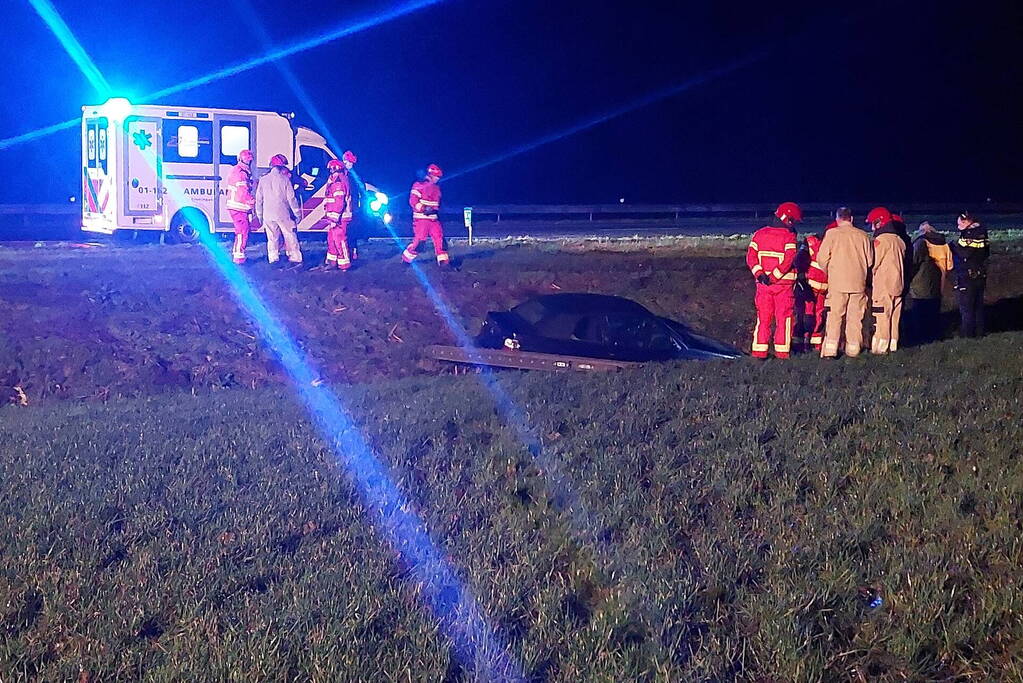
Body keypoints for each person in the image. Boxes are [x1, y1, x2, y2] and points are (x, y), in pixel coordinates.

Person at [745, 202, 801, 358]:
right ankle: (782, 354)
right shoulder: (789, 237)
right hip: (783, 286)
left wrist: (760, 274)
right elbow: (789, 259)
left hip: (763, 286)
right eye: (793, 221)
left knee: (763, 318)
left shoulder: (759, 234)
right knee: (784, 319)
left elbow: (751, 257)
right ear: (788, 219)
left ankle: (759, 352)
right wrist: (774, 276)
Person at [817, 207, 873, 358]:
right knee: (855, 318)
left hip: (837, 283)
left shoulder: (832, 234)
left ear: (837, 219)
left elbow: (822, 259)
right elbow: (869, 261)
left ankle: (830, 350)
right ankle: (853, 350)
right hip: (857, 284)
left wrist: (831, 272)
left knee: (834, 317)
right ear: (852, 219)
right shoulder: (863, 236)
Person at [906, 221, 952, 344]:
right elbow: (950, 265)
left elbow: (913, 262)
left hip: (921, 284)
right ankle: (934, 337)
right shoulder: (944, 244)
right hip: (939, 284)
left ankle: (921, 339)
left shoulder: (921, 243)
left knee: (920, 314)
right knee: (933, 313)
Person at [868, 207, 907, 354]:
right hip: (898, 284)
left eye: (873, 223)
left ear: (880, 222)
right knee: (894, 318)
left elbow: (874, 262)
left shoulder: (881, 241)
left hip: (883, 285)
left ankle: (880, 349)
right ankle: (893, 345)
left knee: (882, 317)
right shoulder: (899, 240)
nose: (872, 227)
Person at [254, 154, 303, 267]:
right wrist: (297, 214)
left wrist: (260, 216)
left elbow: (259, 199)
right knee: (289, 235)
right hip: (283, 213)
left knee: (272, 238)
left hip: (267, 214)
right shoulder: (285, 180)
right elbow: (291, 198)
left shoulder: (263, 180)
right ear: (281, 167)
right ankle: (295, 258)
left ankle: (273, 258)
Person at [794, 220, 834, 351]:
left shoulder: (835, 247)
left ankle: (815, 345)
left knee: (819, 317)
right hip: (809, 288)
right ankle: (801, 344)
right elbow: (800, 260)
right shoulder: (811, 242)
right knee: (807, 315)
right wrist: (802, 281)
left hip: (824, 290)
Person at [949, 211, 990, 337]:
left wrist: (952, 247)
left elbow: (965, 253)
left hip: (967, 275)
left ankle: (967, 334)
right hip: (980, 273)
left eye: (959, 223)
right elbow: (985, 253)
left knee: (966, 307)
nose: (958, 227)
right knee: (978, 306)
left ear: (966, 221)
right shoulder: (982, 231)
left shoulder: (969, 233)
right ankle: (979, 332)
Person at [316, 150, 357, 272]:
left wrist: (334, 218)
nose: (330, 172)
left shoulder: (338, 182)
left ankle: (345, 265)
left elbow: (339, 202)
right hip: (336, 217)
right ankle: (332, 262)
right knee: (332, 239)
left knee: (340, 240)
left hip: (340, 217)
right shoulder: (338, 180)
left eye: (331, 170)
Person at [402, 164, 449, 267]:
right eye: (437, 177)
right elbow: (413, 201)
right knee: (419, 242)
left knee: (439, 239)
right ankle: (406, 260)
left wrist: (437, 211)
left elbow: (437, 204)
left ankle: (444, 263)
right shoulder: (418, 185)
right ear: (430, 175)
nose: (438, 179)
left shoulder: (436, 188)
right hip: (421, 219)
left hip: (433, 219)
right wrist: (423, 208)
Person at [226, 149, 256, 265]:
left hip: (237, 206)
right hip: (238, 206)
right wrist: (252, 201)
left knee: (242, 231)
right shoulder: (241, 173)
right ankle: (239, 257)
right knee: (242, 231)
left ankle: (237, 254)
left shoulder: (238, 170)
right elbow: (243, 191)